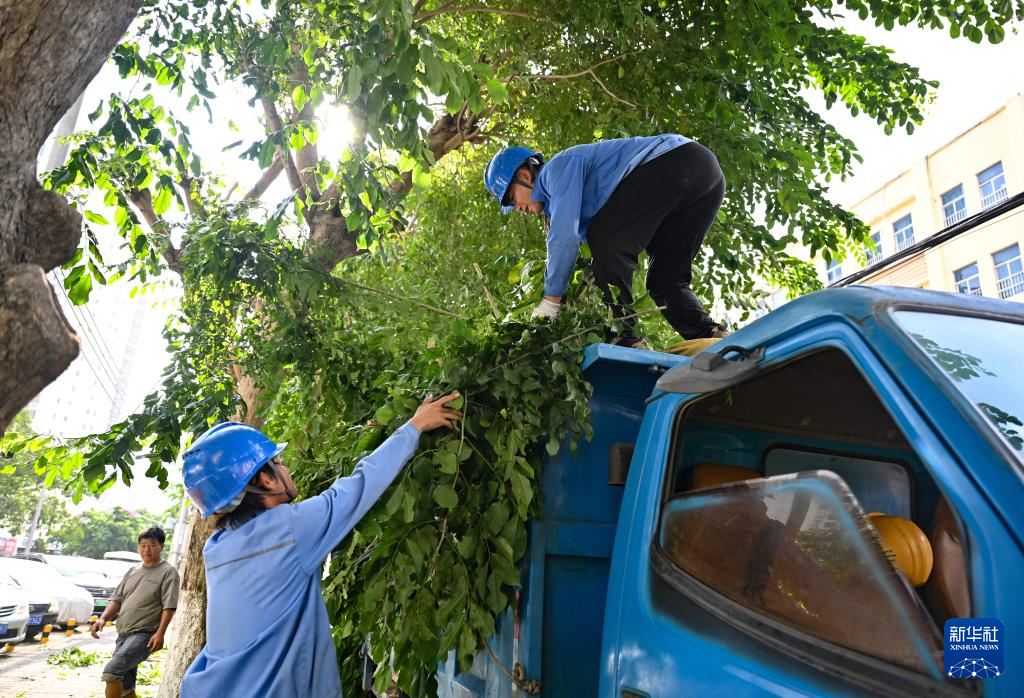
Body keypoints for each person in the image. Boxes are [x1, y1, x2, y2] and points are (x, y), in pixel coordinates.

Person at [179, 393, 461, 697]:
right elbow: (359, 486)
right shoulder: (290, 530)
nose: (286, 468)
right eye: (278, 462)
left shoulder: (216, 548)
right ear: (265, 479)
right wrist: (415, 426)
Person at [484, 134, 729, 345]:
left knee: (604, 239)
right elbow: (597, 257)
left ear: (525, 176)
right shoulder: (569, 202)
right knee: (664, 281)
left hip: (675, 161)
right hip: (706, 177)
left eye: (512, 199)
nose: (517, 208)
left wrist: (550, 302)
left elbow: (565, 238)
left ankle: (627, 339)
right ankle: (711, 335)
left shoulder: (556, 170)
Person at [91, 527, 179, 698]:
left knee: (112, 671)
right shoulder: (133, 570)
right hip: (123, 634)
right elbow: (117, 599)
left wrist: (160, 633)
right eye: (143, 545)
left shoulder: (168, 572)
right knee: (126, 687)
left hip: (144, 635)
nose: (147, 550)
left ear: (161, 546)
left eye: (152, 545)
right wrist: (102, 619)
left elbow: (169, 606)